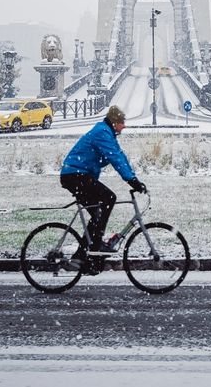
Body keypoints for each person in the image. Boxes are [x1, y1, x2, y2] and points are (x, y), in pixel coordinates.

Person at [59, 105, 146, 274]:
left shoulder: (107, 133)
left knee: (98, 213)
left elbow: (120, 156)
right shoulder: (102, 133)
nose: (124, 126)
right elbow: (115, 158)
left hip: (79, 175)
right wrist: (131, 181)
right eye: (122, 122)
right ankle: (95, 248)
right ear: (114, 123)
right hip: (75, 175)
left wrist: (134, 178)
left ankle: (84, 257)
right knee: (109, 199)